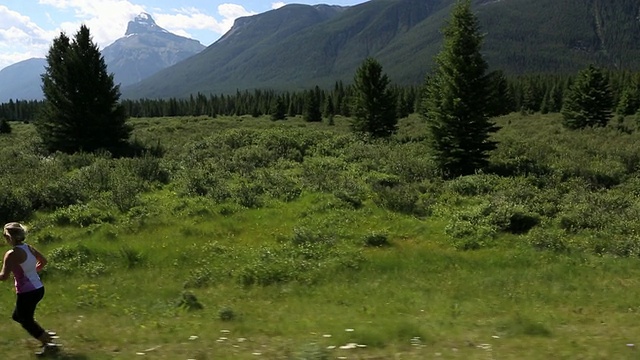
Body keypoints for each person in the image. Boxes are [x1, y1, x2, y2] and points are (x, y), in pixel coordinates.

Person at [0, 222, 59, 356]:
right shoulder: (29, 248)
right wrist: (32, 272)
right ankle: (43, 334)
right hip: (38, 288)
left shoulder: (11, 254)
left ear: (10, 237)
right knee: (18, 316)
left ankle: (48, 343)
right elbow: (43, 261)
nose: (4, 238)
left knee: (25, 320)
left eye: (5, 235)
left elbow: (3, 276)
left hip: (27, 292)